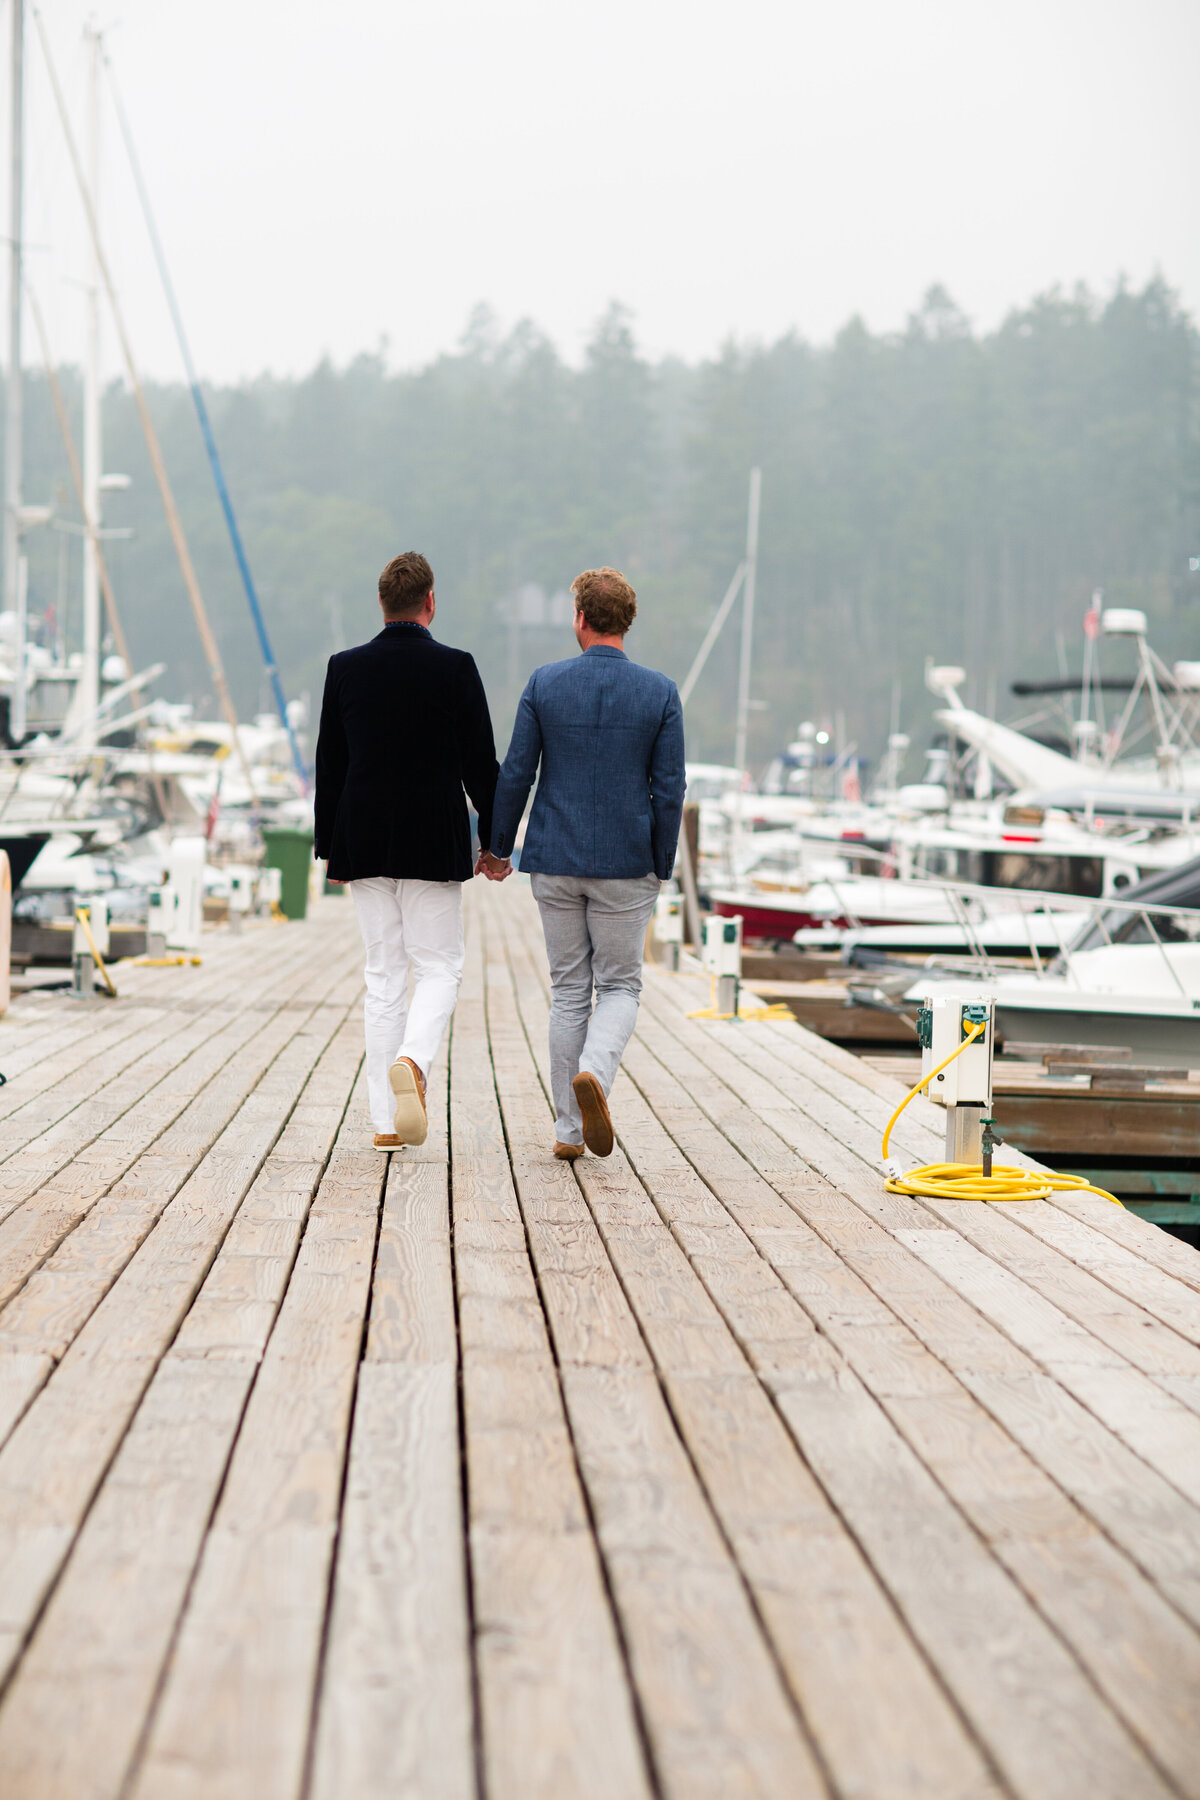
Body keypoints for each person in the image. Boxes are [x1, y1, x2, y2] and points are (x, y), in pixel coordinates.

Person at [483, 566, 685, 1160]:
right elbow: (668, 788)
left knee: (570, 992)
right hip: (627, 863)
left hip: (556, 858)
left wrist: (497, 847)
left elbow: (516, 770)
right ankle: (596, 1071)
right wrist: (662, 862)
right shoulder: (660, 692)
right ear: (627, 622)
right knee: (620, 986)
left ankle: (569, 1132)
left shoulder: (545, 683)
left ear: (580, 619)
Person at [315, 551, 501, 1151]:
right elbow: (480, 764)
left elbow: (331, 766)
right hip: (431, 836)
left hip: (364, 835)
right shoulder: (456, 667)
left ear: (381, 604)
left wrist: (329, 848)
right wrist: (495, 843)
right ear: (430, 602)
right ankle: (414, 1062)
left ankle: (385, 1123)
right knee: (440, 965)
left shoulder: (344, 667)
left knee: (383, 975)